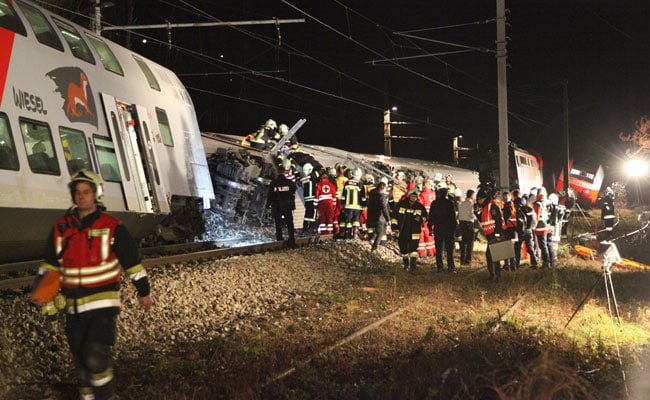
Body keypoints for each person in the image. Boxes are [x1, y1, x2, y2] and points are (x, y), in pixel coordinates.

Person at [32, 169, 152, 400]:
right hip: (73, 307)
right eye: (77, 192)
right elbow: (50, 265)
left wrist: (143, 292)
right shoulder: (61, 227)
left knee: (95, 355)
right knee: (80, 360)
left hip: (102, 306)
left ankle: (106, 396)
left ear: (96, 194)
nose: (81, 196)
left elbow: (132, 263)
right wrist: (44, 296)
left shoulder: (112, 226)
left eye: (86, 192)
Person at [393, 188, 428, 271]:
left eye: (415, 196)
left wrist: (420, 219)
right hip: (403, 230)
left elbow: (425, 217)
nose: (414, 198)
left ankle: (413, 265)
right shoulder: (401, 205)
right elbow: (394, 216)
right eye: (412, 196)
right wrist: (394, 227)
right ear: (409, 196)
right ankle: (406, 264)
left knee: (413, 249)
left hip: (415, 231)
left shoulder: (420, 206)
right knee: (403, 248)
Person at [476, 188, 506, 281]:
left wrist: (498, 234)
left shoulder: (492, 206)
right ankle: (494, 275)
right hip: (489, 234)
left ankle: (495, 275)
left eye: (480, 199)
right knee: (492, 255)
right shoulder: (485, 207)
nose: (479, 201)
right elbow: (483, 221)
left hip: (494, 234)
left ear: (484, 198)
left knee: (492, 255)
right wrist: (476, 213)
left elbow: (498, 221)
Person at [428, 186, 457, 273]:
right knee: (449, 249)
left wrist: (430, 228)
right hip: (448, 229)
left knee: (439, 249)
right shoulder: (449, 203)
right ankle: (451, 267)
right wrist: (454, 228)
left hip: (438, 228)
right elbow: (453, 217)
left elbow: (431, 217)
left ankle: (439, 267)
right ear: (446, 194)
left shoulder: (434, 203)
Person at [268, 169, 297, 247]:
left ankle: (279, 238)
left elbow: (270, 196)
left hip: (277, 207)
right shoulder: (289, 182)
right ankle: (292, 239)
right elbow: (294, 190)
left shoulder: (273, 184)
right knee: (290, 223)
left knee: (278, 224)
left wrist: (267, 206)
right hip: (287, 206)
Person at [366, 179, 391, 250]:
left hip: (371, 214)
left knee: (375, 229)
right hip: (380, 216)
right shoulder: (382, 196)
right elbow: (384, 208)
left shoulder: (372, 192)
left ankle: (371, 239)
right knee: (381, 231)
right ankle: (375, 246)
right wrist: (388, 219)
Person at [533, 187, 554, 268]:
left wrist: (533, 226)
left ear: (538, 194)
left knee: (543, 245)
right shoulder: (549, 202)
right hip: (548, 226)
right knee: (549, 244)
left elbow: (536, 217)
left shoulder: (538, 204)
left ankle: (546, 262)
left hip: (541, 227)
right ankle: (552, 261)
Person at [342, 168, 364, 239]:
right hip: (357, 206)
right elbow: (363, 197)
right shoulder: (360, 183)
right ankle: (354, 234)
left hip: (348, 205)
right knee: (356, 220)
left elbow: (343, 195)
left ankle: (347, 235)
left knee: (348, 220)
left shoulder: (347, 182)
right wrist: (363, 204)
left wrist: (343, 204)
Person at [418, 179, 437, 258]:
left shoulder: (422, 195)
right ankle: (432, 251)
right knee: (431, 235)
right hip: (433, 218)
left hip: (425, 218)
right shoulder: (434, 194)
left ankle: (422, 253)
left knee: (422, 235)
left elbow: (420, 207)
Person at [458, 188, 477, 265]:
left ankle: (462, 259)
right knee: (470, 243)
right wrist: (476, 217)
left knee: (463, 242)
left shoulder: (462, 204)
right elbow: (471, 214)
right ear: (472, 195)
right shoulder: (471, 204)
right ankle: (468, 260)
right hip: (469, 223)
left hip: (462, 223)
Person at [501, 191, 519, 271]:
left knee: (508, 248)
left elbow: (505, 219)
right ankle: (510, 265)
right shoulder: (508, 205)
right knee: (509, 248)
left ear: (510, 197)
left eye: (506, 197)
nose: (504, 198)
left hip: (510, 230)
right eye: (503, 197)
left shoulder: (508, 207)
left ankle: (510, 266)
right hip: (512, 230)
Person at [300, 163, 318, 233]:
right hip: (313, 198)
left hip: (307, 199)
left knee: (307, 213)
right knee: (313, 214)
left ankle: (305, 228)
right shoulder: (313, 177)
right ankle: (311, 228)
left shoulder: (304, 179)